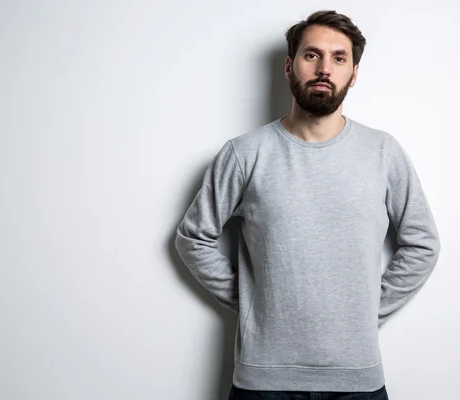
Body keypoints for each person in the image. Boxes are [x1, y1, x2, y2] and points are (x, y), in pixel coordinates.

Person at [175, 9, 441, 400]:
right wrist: (255, 304)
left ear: (353, 74)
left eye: (339, 58)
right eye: (311, 55)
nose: (324, 68)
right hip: (264, 382)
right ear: (289, 66)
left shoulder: (383, 153)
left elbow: (423, 244)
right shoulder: (244, 154)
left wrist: (368, 313)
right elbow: (193, 238)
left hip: (357, 380)